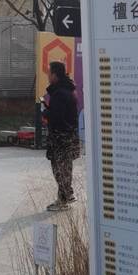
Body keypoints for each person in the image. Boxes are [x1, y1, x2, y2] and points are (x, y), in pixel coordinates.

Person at [43, 61, 80, 211]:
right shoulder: (68, 90)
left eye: (49, 73)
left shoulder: (59, 93)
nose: (48, 76)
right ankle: (67, 195)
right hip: (69, 136)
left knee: (59, 168)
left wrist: (46, 113)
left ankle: (63, 200)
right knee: (66, 167)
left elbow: (56, 117)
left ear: (55, 75)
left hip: (60, 137)